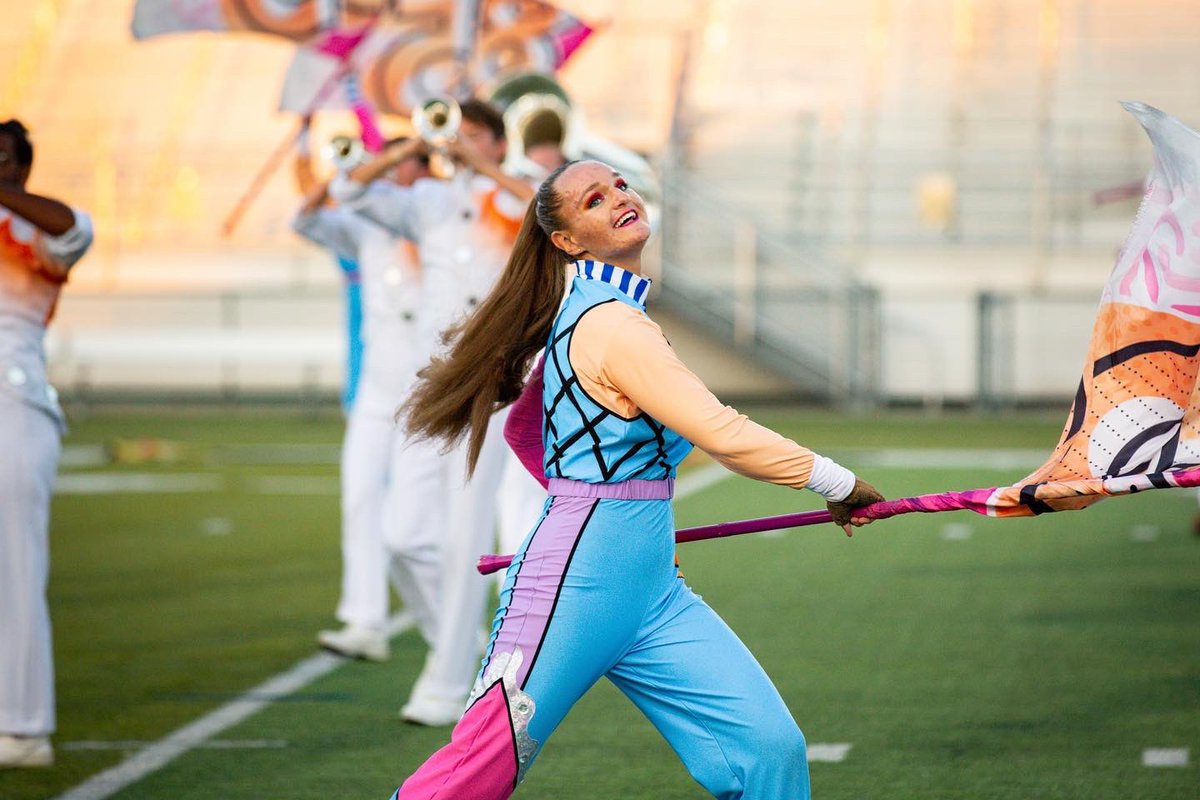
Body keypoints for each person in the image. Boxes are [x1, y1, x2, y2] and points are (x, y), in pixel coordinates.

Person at [392, 159, 883, 799]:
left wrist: (600, 501)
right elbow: (722, 433)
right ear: (567, 240)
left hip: (651, 590)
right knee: (478, 771)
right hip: (572, 586)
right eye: (594, 200)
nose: (619, 198)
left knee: (767, 748)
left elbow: (523, 431)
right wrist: (840, 484)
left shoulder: (602, 312)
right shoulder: (609, 322)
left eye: (620, 185)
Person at [331, 99, 543, 726]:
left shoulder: (515, 197)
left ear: (499, 144)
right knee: (401, 535)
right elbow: (350, 191)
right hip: (434, 381)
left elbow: (541, 207)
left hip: (498, 377)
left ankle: (448, 683)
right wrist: (406, 149)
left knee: (464, 536)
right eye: (457, 133)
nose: (460, 144)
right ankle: (462, 647)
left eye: (476, 135)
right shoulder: (426, 200)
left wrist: (480, 164)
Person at [294, 139, 444, 662]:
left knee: (415, 522)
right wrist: (343, 169)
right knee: (359, 495)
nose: (393, 171)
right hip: (377, 386)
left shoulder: (437, 214)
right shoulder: (363, 222)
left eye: (404, 161)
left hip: (424, 384)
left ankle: (450, 632)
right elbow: (305, 220)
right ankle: (365, 620)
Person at [0, 119, 94, 769]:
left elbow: (74, 229)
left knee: (16, 565)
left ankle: (24, 725)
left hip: (13, 399)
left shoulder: (36, 224)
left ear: (22, 168)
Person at [293, 117, 365, 412]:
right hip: (359, 295)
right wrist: (304, 132)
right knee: (360, 359)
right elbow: (306, 186)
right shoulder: (340, 209)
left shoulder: (374, 200)